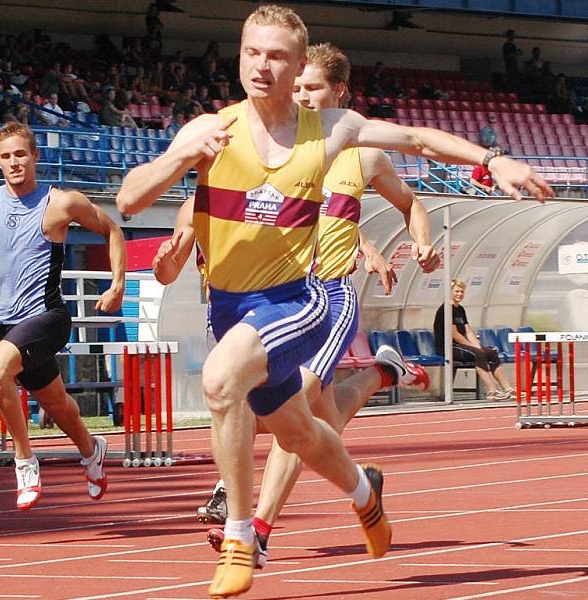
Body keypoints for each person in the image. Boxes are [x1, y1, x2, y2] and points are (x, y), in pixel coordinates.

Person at [116, 5, 550, 597]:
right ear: (238, 57)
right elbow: (131, 200)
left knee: (221, 382)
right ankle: (365, 497)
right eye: (252, 53)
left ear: (297, 67)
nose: (262, 66)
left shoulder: (334, 128)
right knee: (298, 430)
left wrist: (494, 160)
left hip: (298, 300)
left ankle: (243, 536)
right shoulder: (209, 128)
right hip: (229, 308)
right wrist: (182, 158)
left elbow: (417, 138)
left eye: (276, 56)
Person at [154, 43, 439, 565]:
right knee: (314, 422)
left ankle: (255, 527)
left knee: (297, 406)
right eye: (298, 86)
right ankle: (379, 385)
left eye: (313, 88)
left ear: (339, 95)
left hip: (327, 297)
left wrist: (418, 241)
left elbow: (409, 201)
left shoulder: (360, 152)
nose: (301, 95)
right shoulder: (272, 146)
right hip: (275, 300)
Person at [0, 122, 126, 511]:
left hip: (47, 317)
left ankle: (25, 462)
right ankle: (92, 450)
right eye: (5, 156)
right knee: (56, 404)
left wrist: (117, 283)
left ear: (35, 156)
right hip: (6, 323)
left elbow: (111, 230)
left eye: (20, 154)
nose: (14, 163)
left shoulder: (60, 202)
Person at [434, 279, 515, 401]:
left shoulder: (460, 309)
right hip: (448, 347)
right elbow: (455, 334)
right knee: (479, 353)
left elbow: (468, 331)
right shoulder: (446, 309)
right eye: (456, 291)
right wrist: (474, 348)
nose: (459, 294)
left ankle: (508, 389)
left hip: (461, 345)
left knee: (491, 352)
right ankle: (492, 391)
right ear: (449, 292)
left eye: (462, 291)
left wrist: (477, 345)